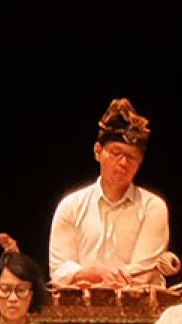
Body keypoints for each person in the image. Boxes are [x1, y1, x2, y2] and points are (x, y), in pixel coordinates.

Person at [48, 98, 170, 287]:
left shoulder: (152, 207)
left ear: (140, 162)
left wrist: (92, 278)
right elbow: (59, 271)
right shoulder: (71, 206)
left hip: (137, 311)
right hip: (79, 310)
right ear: (98, 151)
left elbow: (142, 273)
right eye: (115, 152)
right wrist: (97, 273)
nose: (123, 163)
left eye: (131, 157)